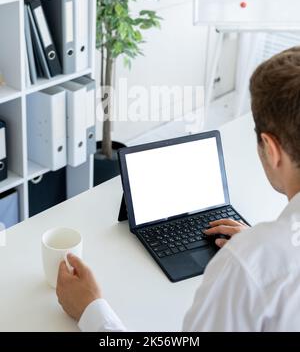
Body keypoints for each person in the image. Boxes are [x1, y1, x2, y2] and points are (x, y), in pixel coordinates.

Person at [56, 47, 300, 332]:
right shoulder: (260, 259)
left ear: (271, 149)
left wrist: (91, 310)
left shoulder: (247, 268)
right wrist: (261, 247)